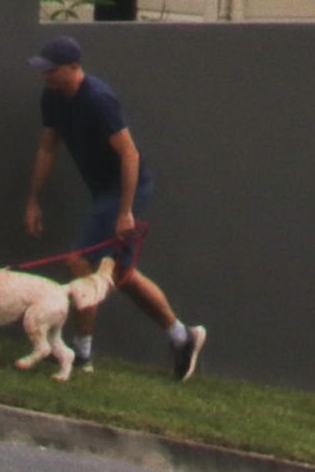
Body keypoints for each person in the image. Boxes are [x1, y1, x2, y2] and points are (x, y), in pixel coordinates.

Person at [24, 35, 210, 377]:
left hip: (127, 190)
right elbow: (47, 148)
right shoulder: (51, 97)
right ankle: (183, 337)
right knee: (122, 275)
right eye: (43, 69)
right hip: (103, 192)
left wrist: (125, 211)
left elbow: (130, 154)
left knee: (79, 261)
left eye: (51, 70)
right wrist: (33, 200)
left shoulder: (98, 99)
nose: (45, 75)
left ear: (73, 67)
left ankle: (82, 354)